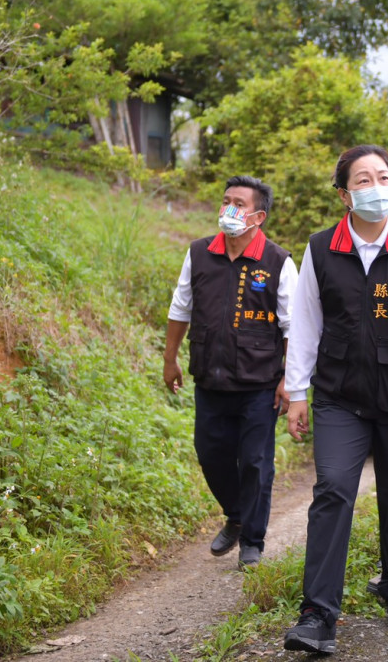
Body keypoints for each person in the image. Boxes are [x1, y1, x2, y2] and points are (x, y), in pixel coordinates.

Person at [282, 145, 388, 655]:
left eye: (383, 177)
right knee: (333, 490)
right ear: (344, 194)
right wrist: (296, 393)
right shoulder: (320, 249)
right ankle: (317, 614)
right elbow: (306, 324)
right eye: (363, 179)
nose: (375, 186)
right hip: (339, 396)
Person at [162, 176, 297, 569]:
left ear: (258, 216)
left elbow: (294, 327)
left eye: (239, 203)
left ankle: (252, 540)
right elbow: (180, 309)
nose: (229, 209)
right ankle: (236, 514)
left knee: (255, 461)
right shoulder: (199, 253)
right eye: (226, 201)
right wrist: (169, 359)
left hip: (260, 383)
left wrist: (290, 378)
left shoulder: (278, 261)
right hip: (210, 377)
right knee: (210, 453)